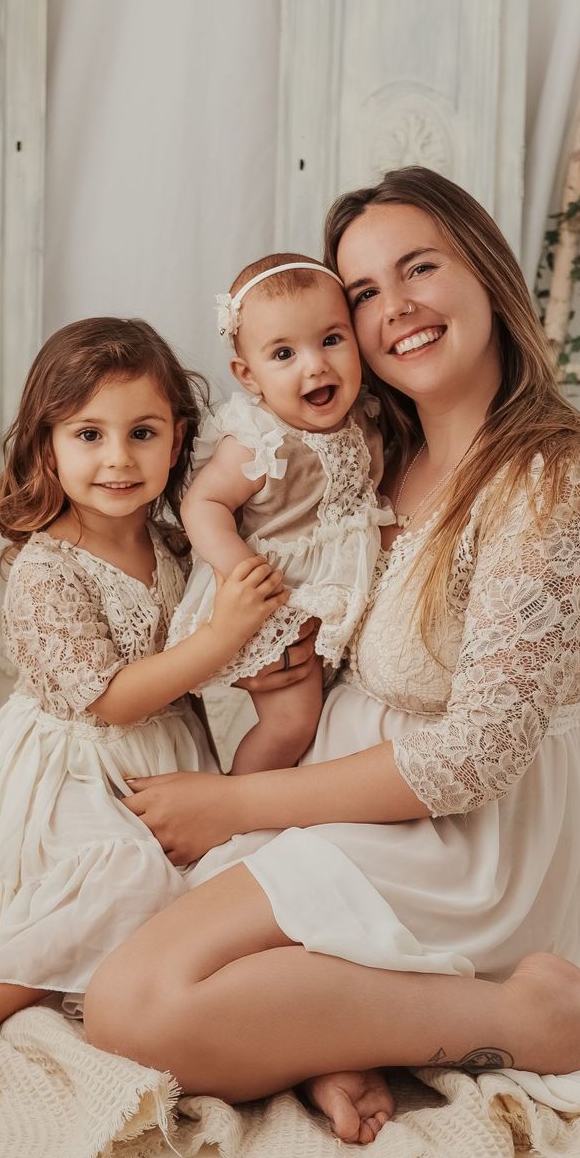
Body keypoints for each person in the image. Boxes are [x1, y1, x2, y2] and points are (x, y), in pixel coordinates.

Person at [83, 167, 580, 1146]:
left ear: (486, 273)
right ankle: (351, 1041)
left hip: (460, 836)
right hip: (339, 786)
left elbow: (476, 758)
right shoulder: (370, 447)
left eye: (419, 267)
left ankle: (531, 1018)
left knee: (136, 1006)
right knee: (122, 966)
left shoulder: (552, 479)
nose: (397, 308)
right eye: (367, 293)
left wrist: (234, 803)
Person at [0, 317, 289, 1097]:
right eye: (89, 434)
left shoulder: (173, 541)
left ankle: (289, 1040)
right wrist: (225, 632)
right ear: (46, 447)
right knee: (125, 875)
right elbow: (112, 699)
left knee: (239, 874)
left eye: (142, 432)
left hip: (166, 757)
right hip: (74, 768)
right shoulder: (47, 569)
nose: (118, 459)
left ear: (178, 439)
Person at [167, 252, 389, 775]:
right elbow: (203, 502)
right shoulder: (260, 439)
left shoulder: (365, 416)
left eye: (332, 340)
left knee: (332, 717)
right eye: (284, 353)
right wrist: (238, 570)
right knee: (291, 723)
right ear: (249, 375)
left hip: (336, 588)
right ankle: (232, 806)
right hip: (279, 596)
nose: (315, 365)